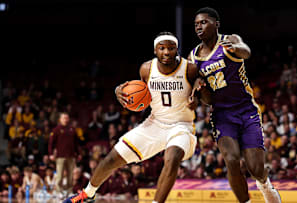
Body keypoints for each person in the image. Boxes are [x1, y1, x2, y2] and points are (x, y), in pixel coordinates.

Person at [64, 31, 198, 203]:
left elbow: (204, 92)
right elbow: (139, 92)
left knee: (171, 159)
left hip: (181, 125)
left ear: (177, 50)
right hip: (155, 123)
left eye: (171, 48)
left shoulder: (190, 68)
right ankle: (87, 194)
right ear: (155, 50)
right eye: (162, 48)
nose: (166, 52)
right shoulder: (146, 69)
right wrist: (118, 90)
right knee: (112, 158)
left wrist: (198, 97)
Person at [189, 7, 281, 203]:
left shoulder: (229, 40)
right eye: (196, 24)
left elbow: (246, 52)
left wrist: (237, 49)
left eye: (204, 22)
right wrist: (199, 89)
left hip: (247, 111)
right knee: (231, 160)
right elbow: (208, 100)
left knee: (256, 170)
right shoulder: (194, 57)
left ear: (216, 24)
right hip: (222, 115)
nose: (199, 26)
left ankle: (265, 186)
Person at [48, 112, 78, 195]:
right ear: (60, 119)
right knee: (60, 175)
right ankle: (58, 191)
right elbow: (51, 143)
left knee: (70, 175)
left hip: (71, 156)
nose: (66, 119)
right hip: (60, 156)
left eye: (67, 118)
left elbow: (76, 143)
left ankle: (69, 191)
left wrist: (78, 153)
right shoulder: (56, 130)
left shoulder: (72, 129)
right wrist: (50, 153)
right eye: (64, 118)